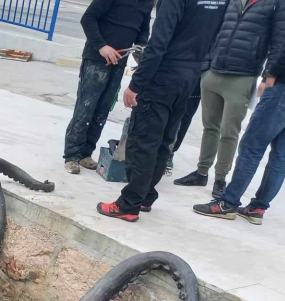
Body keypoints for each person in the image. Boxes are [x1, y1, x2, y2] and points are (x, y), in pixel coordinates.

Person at [194, 0, 285, 224]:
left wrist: (272, 73)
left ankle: (228, 203)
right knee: (283, 148)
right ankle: (258, 208)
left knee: (252, 145)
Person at [97, 0, 228, 222]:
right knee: (163, 141)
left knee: (143, 143)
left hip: (163, 77)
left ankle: (129, 204)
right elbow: (216, 37)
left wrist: (136, 84)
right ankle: (146, 195)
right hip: (189, 77)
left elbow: (158, 44)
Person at [173, 0, 285, 197]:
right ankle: (201, 172)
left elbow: (280, 41)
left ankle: (220, 179)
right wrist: (206, 65)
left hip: (242, 76)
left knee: (229, 132)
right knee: (209, 127)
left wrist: (268, 76)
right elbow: (215, 28)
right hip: (213, 73)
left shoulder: (279, 3)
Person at [64, 0, 155, 174]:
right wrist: (101, 46)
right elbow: (88, 18)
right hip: (96, 59)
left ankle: (85, 154)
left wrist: (140, 47)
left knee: (102, 110)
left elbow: (143, 28)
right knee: (86, 108)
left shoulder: (146, 2)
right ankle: (71, 156)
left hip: (118, 62)